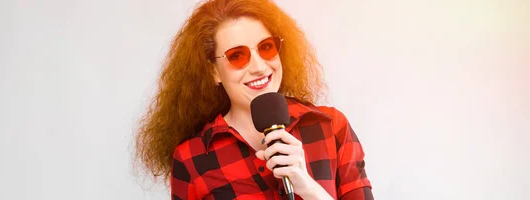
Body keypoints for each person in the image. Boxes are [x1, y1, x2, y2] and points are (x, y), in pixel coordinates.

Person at [134, 0, 373, 199]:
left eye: (266, 47)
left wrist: (308, 188)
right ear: (213, 71)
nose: (259, 67)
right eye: (237, 56)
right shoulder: (191, 158)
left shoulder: (331, 126)